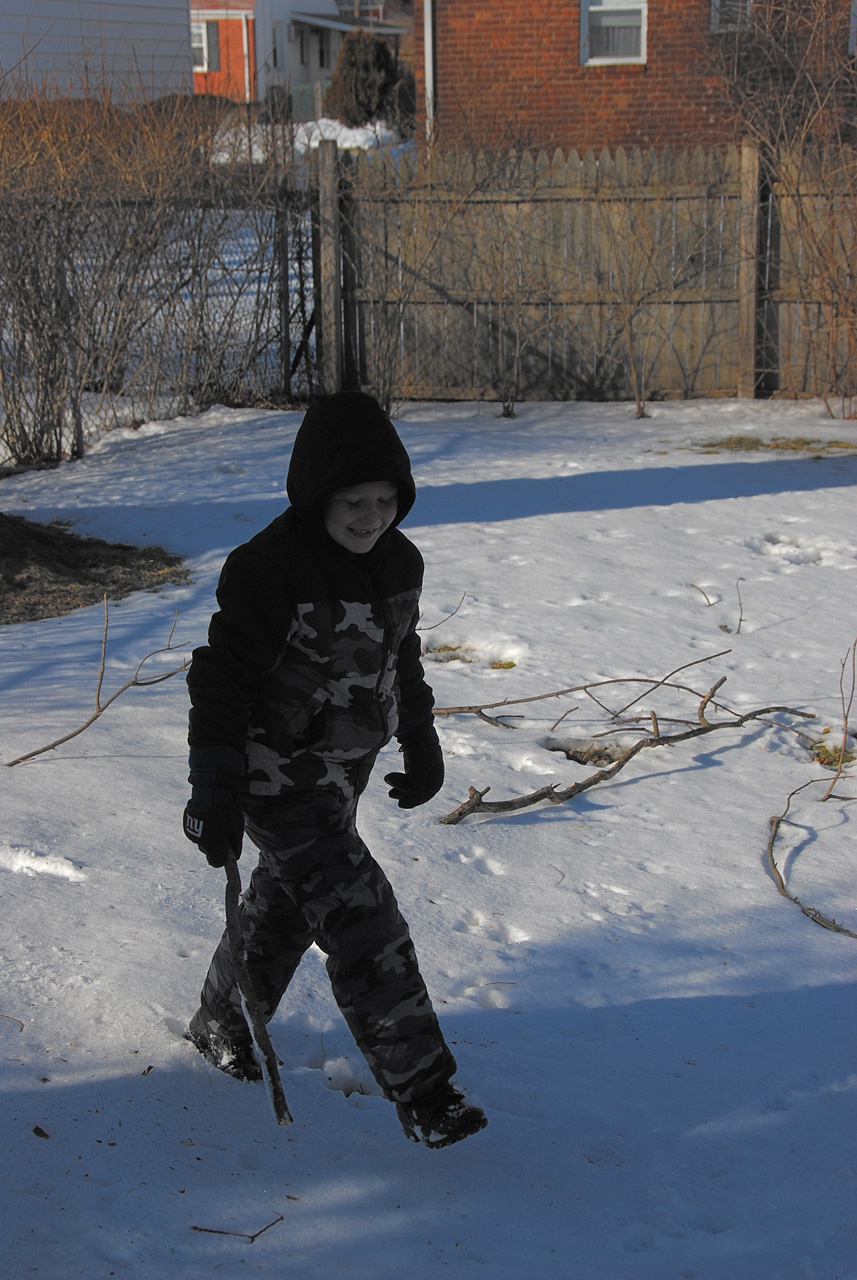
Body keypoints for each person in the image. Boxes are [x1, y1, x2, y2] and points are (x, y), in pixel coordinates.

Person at [182, 391, 487, 1150]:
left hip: (343, 771)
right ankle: (426, 1093)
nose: (371, 516)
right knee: (359, 915)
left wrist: (420, 742)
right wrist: (214, 790)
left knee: (286, 904)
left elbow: (399, 656)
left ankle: (221, 1022)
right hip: (272, 778)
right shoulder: (267, 569)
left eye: (386, 500)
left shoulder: (399, 561)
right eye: (353, 501)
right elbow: (219, 680)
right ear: (315, 494)